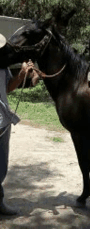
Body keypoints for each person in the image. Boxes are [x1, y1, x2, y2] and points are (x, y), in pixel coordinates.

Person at [0, 33, 31, 215]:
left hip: (3, 121)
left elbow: (7, 88)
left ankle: (0, 202)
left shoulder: (3, 67)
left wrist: (20, 75)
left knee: (1, 164)